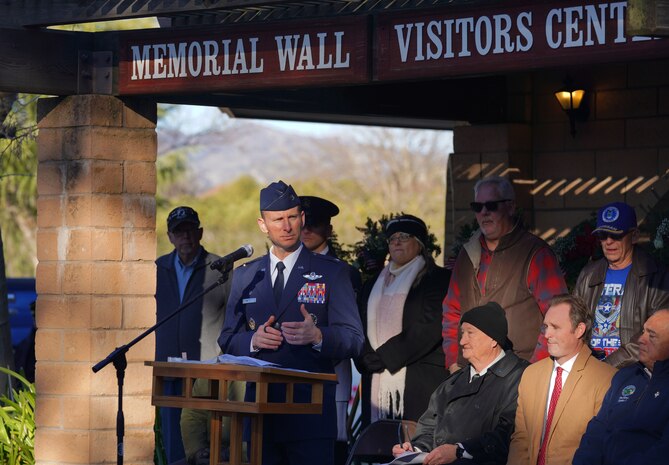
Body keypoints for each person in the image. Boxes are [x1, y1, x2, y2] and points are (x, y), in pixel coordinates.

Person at [218, 180, 364, 465]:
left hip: (309, 414)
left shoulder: (332, 272)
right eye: (278, 219)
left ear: (302, 218)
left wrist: (318, 336)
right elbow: (226, 339)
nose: (287, 226)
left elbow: (355, 339)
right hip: (260, 414)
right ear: (263, 225)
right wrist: (252, 341)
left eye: (293, 217)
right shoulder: (246, 275)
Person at [442, 176, 567, 373]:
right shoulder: (467, 255)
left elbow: (557, 317)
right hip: (469, 374)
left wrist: (531, 372)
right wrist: (453, 363)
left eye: (491, 205)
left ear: (510, 207)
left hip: (516, 374)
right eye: (477, 206)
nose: (484, 213)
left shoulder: (535, 253)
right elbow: (451, 311)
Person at [391, 302, 528, 465]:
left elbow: (508, 434)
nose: (462, 341)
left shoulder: (520, 377)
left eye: (470, 333)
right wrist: (415, 450)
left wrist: (460, 450)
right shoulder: (452, 383)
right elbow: (429, 426)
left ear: (493, 340)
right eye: (462, 333)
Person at [155, 206, 238, 464]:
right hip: (170, 371)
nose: (186, 237)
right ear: (169, 236)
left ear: (200, 232)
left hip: (208, 374)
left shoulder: (220, 268)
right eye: (179, 232)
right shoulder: (157, 269)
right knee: (175, 446)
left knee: (209, 448)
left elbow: (235, 318)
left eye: (190, 230)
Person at [355, 214, 450, 429]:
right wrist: (364, 357)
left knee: (415, 451)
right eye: (392, 238)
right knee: (380, 447)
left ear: (420, 244)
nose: (396, 242)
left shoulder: (437, 279)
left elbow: (430, 326)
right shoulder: (371, 285)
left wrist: (386, 357)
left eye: (404, 236)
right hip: (376, 380)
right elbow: (358, 325)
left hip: (419, 381)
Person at [507, 294, 616, 465]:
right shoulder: (531, 374)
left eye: (555, 327)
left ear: (579, 330)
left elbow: (601, 447)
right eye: (546, 327)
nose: (546, 334)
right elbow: (521, 437)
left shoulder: (606, 379)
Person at [300, 195, 362, 465]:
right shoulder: (285, 267)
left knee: (331, 444)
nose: (306, 230)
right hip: (291, 372)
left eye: (314, 224)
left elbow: (350, 332)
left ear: (329, 229)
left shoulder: (343, 272)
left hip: (330, 369)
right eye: (303, 223)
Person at [574, 201, 669, 368]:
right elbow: (573, 322)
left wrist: (606, 366)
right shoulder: (588, 275)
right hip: (588, 368)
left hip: (635, 371)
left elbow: (654, 336)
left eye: (616, 235)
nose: (608, 241)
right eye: (603, 235)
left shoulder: (657, 276)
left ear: (634, 236)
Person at [573, 309, 669, 465]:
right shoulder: (626, 376)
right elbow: (597, 429)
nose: (641, 340)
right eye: (643, 331)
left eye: (651, 336)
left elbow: (663, 453)